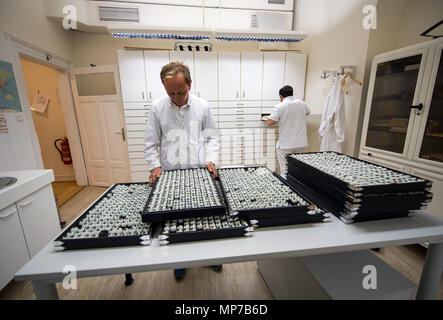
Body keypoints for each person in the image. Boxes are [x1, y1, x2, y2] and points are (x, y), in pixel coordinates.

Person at [144, 61, 222, 281]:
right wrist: (154, 166)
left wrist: (210, 160)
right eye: (171, 93)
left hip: (199, 171)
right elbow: (151, 142)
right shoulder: (157, 107)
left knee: (204, 218)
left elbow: (212, 138)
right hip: (171, 174)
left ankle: (208, 257)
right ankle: (179, 261)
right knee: (175, 221)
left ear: (190, 84)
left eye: (181, 92)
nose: (177, 98)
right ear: (164, 88)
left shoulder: (203, 106)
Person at [266, 85, 310, 179]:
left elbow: (270, 122)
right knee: (298, 170)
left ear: (281, 96)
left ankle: (286, 190)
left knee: (285, 171)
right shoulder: (302, 103)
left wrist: (267, 117)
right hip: (301, 144)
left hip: (286, 144)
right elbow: (307, 112)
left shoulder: (280, 106)